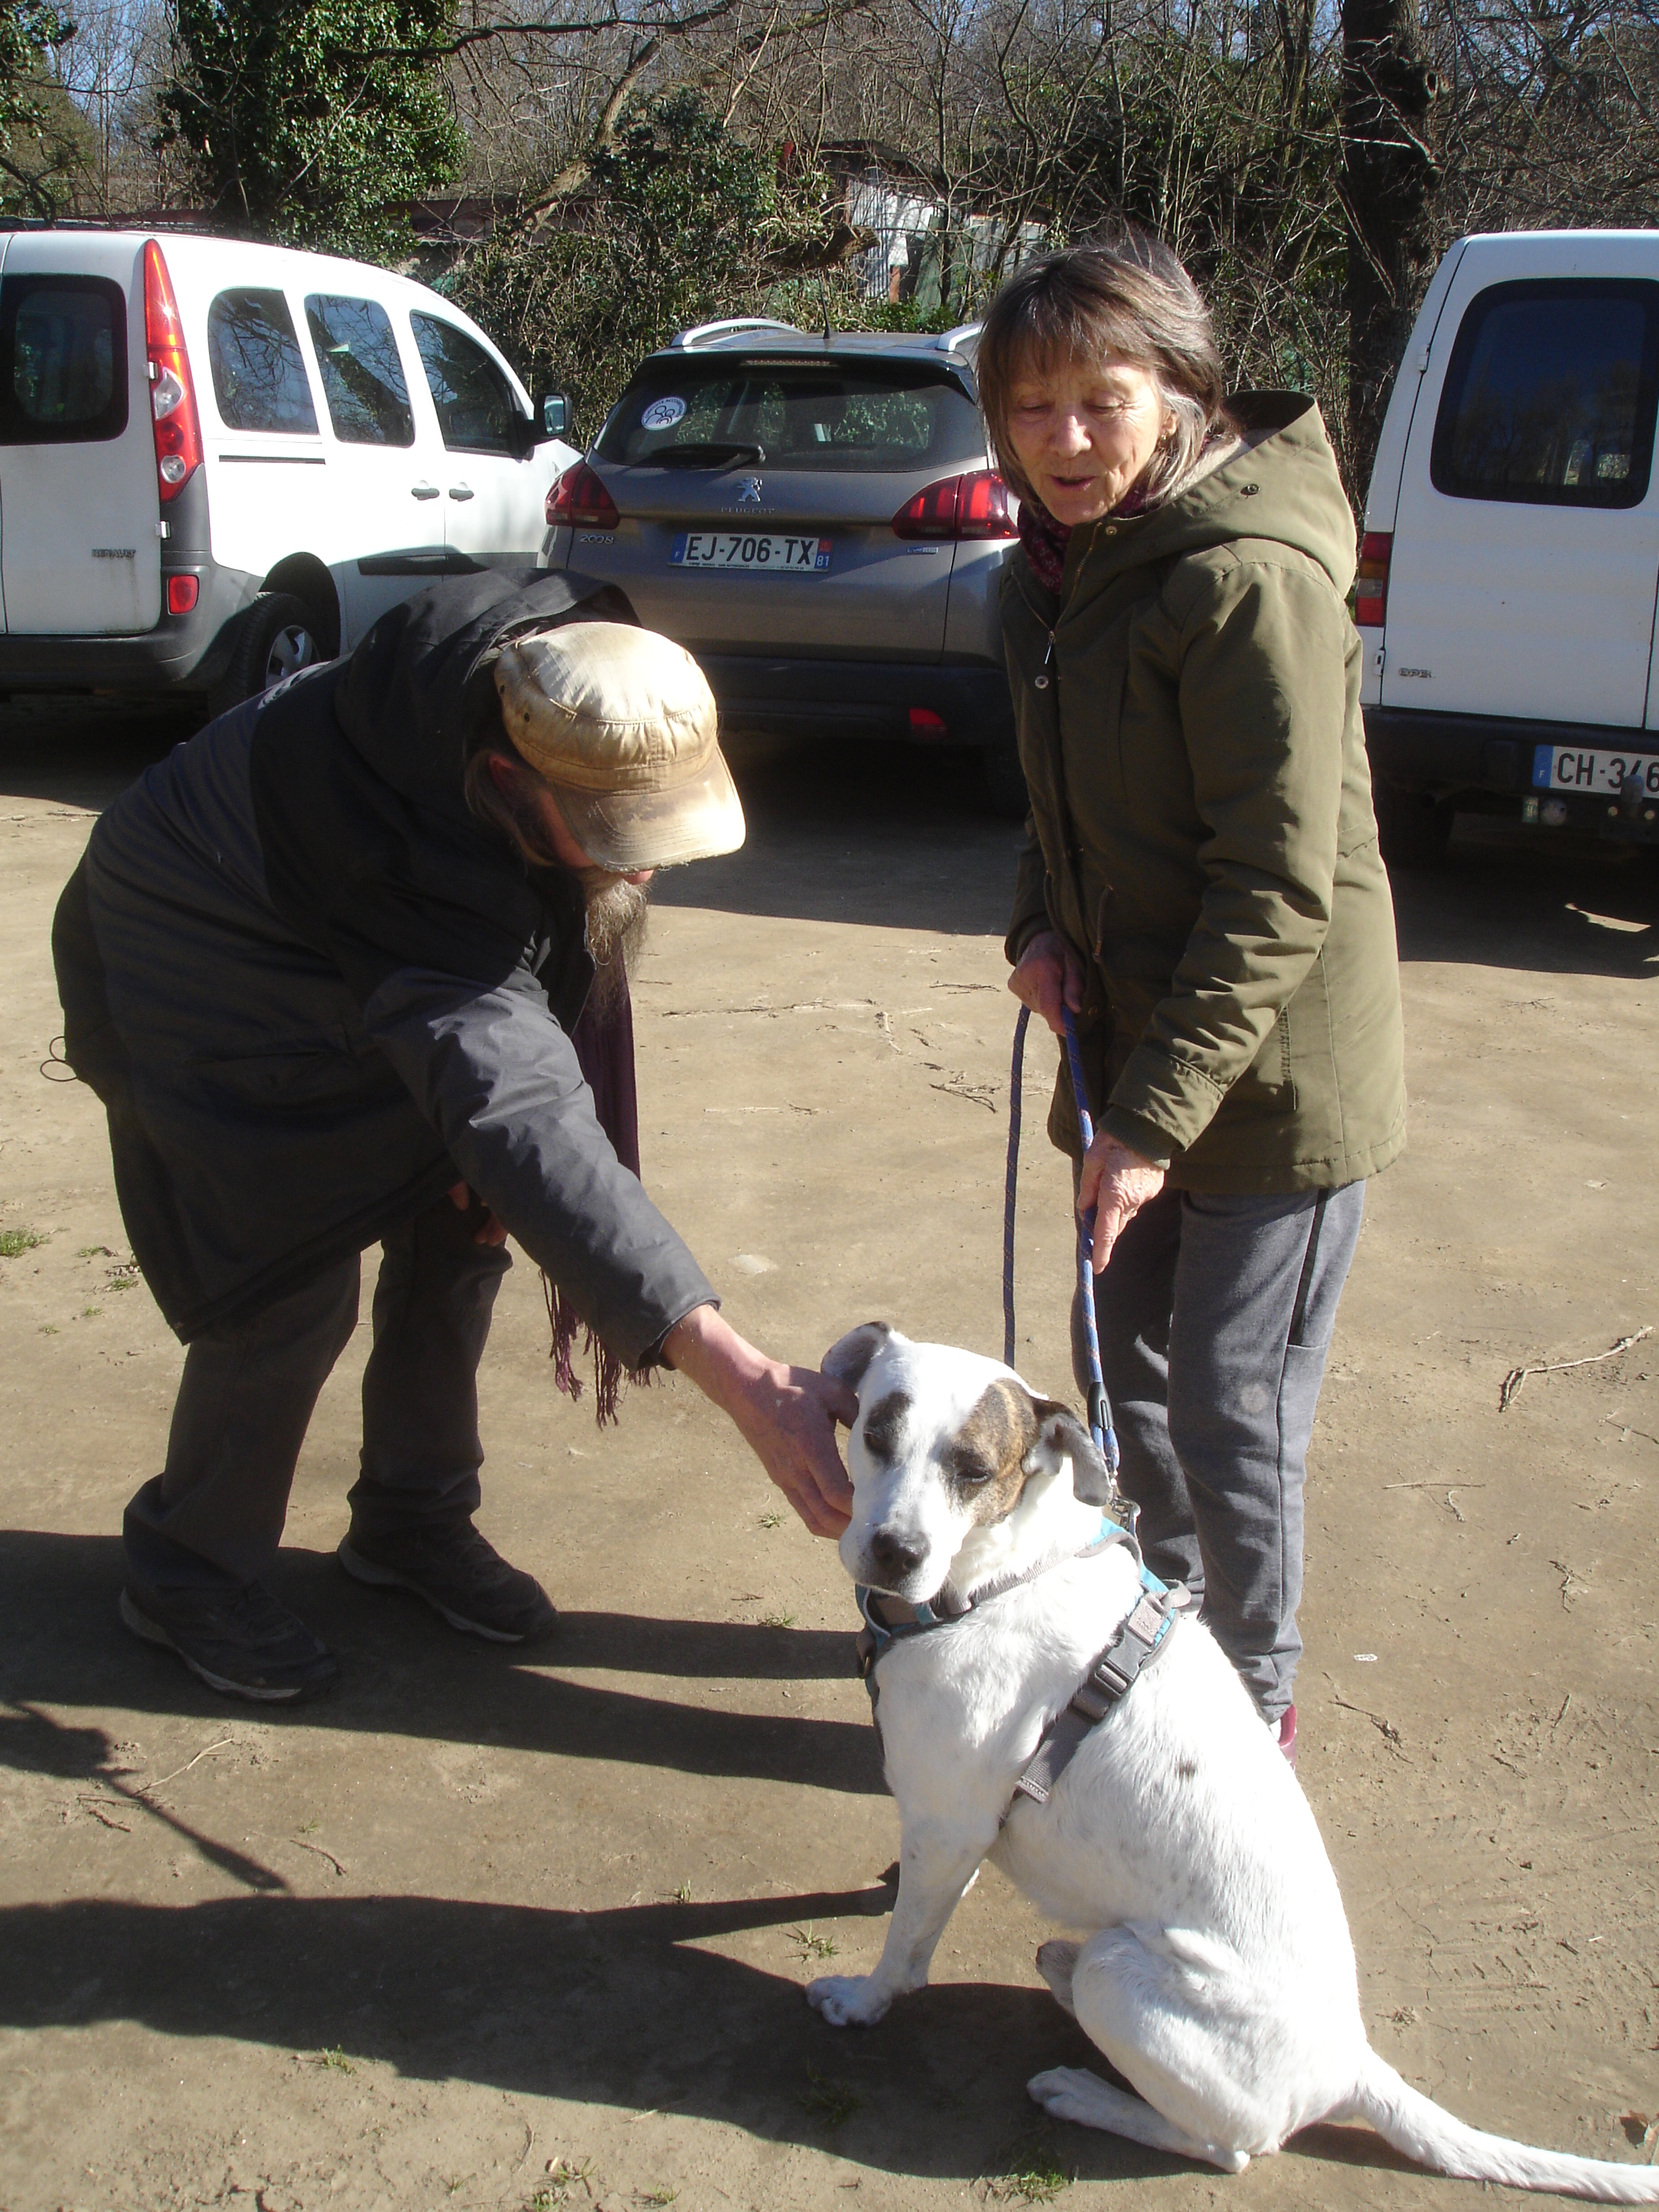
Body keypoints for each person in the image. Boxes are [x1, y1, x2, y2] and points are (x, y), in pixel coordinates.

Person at [52, 571, 856, 1704]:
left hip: (355, 941)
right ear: (504, 784)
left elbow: (517, 1045)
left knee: (464, 1220)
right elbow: (517, 1109)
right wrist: (745, 1379)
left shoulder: (575, 680)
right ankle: (189, 1570)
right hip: (192, 956)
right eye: (614, 835)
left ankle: (410, 1518)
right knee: (286, 1277)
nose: (643, 866)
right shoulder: (398, 850)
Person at [977, 233, 1407, 1760]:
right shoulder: (1043, 582)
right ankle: (1162, 1622)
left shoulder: (1245, 580)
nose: (1064, 441)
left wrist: (1150, 1127)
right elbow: (1058, 807)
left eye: (1102, 400)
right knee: (1120, 1367)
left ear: (1181, 391)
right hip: (1132, 1044)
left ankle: (1253, 1699)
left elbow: (1280, 887)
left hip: (1277, 1075)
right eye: (1030, 408)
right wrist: (1038, 923)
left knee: (1231, 1398)